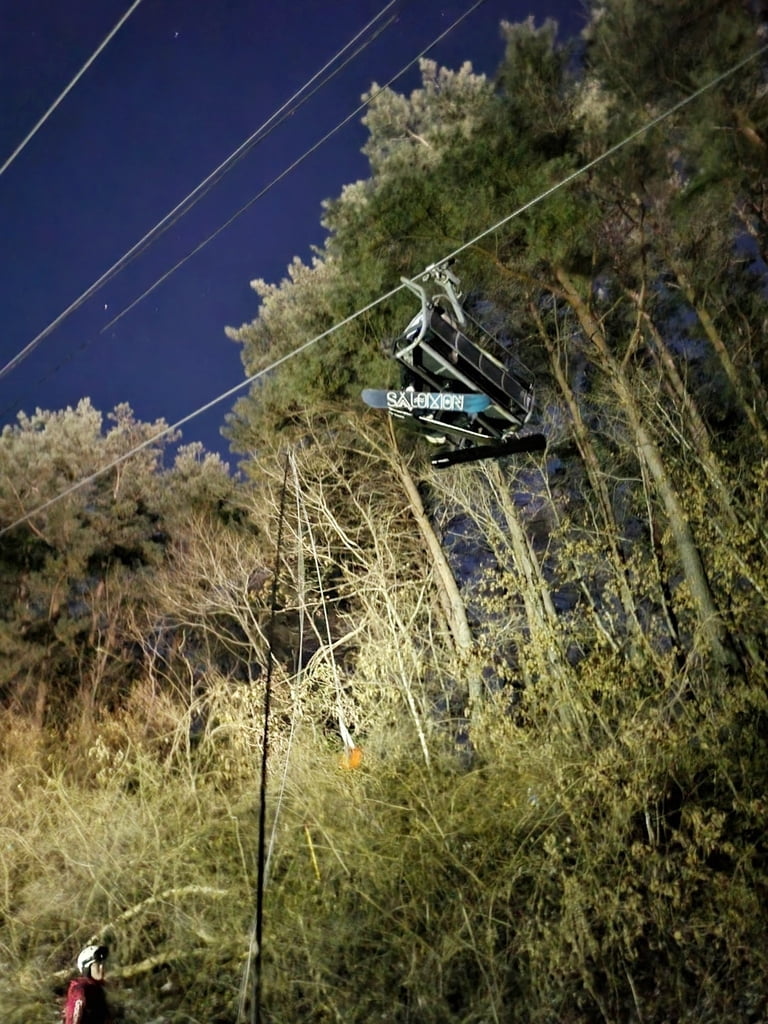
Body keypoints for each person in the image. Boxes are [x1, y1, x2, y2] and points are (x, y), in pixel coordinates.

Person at [62, 945, 112, 1024]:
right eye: (97, 965)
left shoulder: (98, 990)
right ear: (87, 969)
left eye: (103, 964)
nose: (102, 968)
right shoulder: (81, 990)